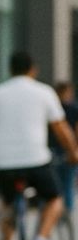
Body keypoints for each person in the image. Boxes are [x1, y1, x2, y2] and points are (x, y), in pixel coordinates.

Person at [0, 50, 78, 240]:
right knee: (55, 199)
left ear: (10, 69)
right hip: (35, 159)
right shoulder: (44, 92)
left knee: (9, 204)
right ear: (33, 69)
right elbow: (60, 128)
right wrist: (73, 152)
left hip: (3, 161)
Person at [49, 81, 78, 211]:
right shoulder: (73, 108)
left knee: (54, 185)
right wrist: (74, 149)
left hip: (52, 150)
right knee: (68, 184)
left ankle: (57, 211)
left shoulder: (52, 107)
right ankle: (67, 212)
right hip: (68, 149)